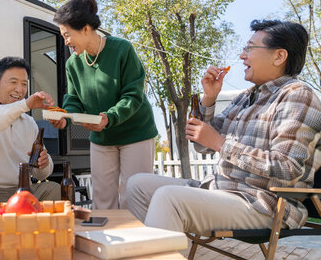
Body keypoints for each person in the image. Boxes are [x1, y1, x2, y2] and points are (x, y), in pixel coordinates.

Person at [127, 20, 321, 235]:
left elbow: (287, 169)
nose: (242, 56)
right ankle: (160, 257)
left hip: (262, 203)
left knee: (168, 197)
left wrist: (220, 143)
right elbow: (202, 145)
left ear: (279, 56)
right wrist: (209, 99)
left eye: (250, 48)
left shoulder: (297, 95)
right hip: (220, 190)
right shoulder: (245, 97)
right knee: (137, 185)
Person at [50, 0, 158, 210]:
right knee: (102, 199)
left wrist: (110, 118)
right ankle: (108, 242)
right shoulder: (73, 64)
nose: (66, 42)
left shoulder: (122, 50)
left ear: (86, 29)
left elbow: (133, 95)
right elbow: (73, 100)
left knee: (133, 197)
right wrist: (65, 118)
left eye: (67, 35)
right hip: (101, 137)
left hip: (135, 133)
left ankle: (136, 243)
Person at [0, 56, 61, 203]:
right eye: (13, 82)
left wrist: (44, 164)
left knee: (53, 189)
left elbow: (40, 175)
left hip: (20, 192)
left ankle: (36, 226)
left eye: (24, 84)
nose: (19, 90)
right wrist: (25, 105)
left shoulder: (29, 122)